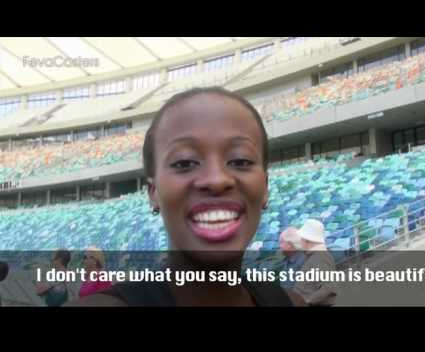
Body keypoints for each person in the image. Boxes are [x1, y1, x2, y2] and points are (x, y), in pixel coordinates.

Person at [67, 87, 305, 306]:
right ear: (154, 193)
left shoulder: (290, 302)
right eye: (184, 162)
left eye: (240, 160)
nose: (216, 179)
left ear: (265, 187)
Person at [293, 219, 337, 306]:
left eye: (301, 239)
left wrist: (307, 301)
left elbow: (329, 287)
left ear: (308, 240)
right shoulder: (318, 256)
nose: (300, 242)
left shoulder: (320, 257)